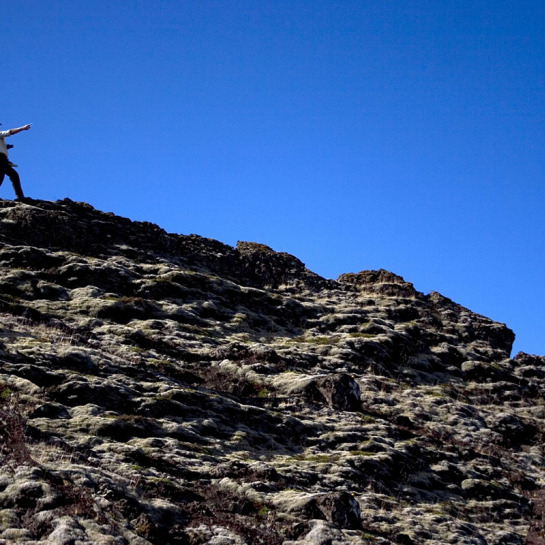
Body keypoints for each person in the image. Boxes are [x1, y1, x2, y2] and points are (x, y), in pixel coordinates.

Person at [0, 123, 31, 200]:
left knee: (13, 175)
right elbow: (10, 132)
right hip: (1, 159)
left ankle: (20, 197)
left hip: (3, 159)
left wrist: (6, 147)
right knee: (6, 175)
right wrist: (22, 128)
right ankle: (20, 197)